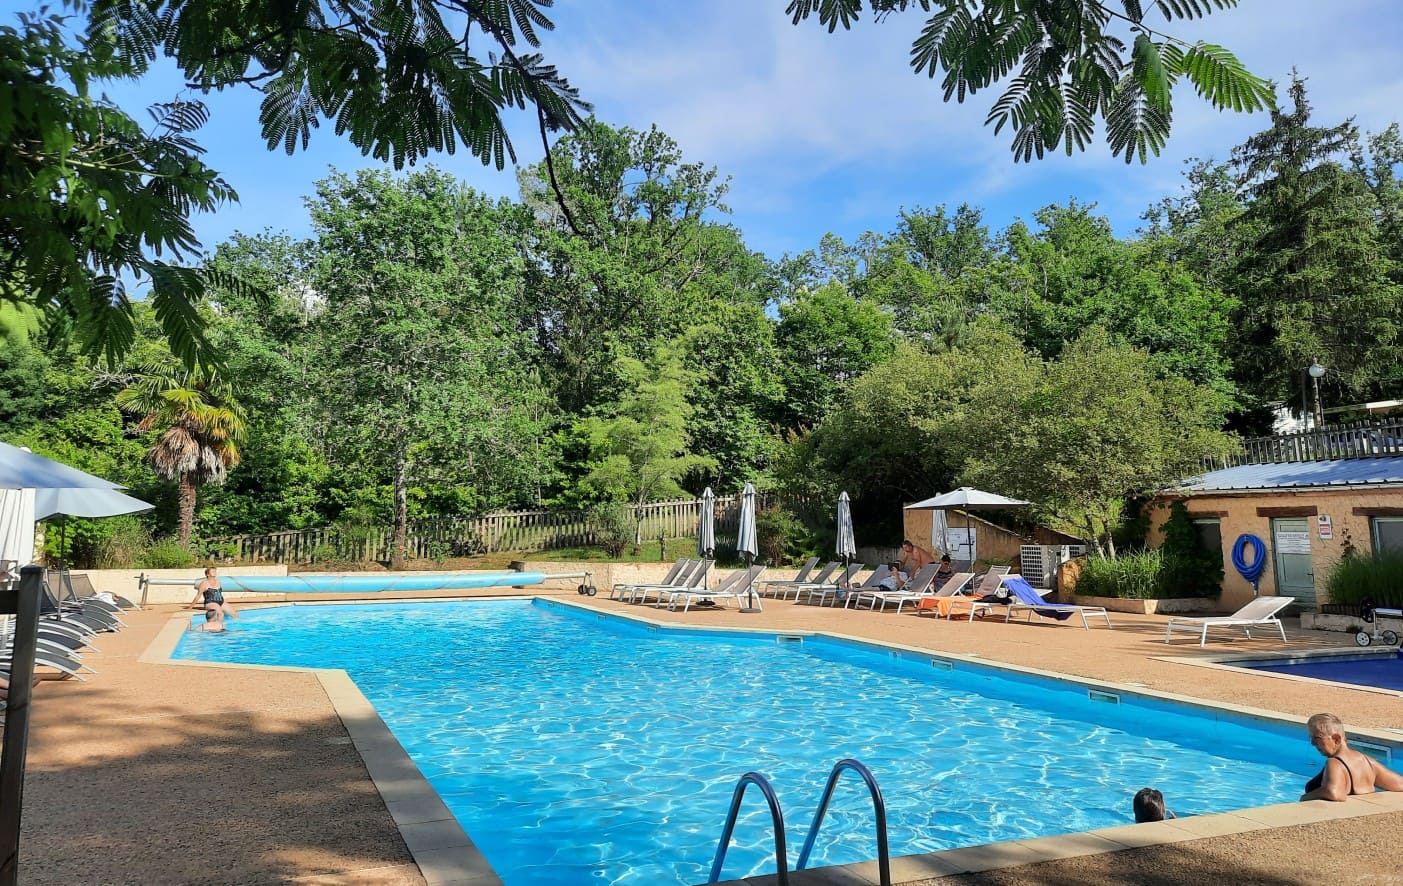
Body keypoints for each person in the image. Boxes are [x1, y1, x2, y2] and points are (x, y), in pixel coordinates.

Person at [1300, 712, 1403, 801]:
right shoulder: (1367, 761)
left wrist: (1305, 797)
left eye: (1317, 738)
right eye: (1311, 738)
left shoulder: (1334, 763)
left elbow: (1334, 793)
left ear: (1336, 739)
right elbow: (1400, 783)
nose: (1312, 743)